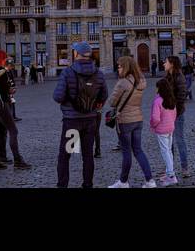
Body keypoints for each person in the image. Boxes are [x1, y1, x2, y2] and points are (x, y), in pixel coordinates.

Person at [53, 41, 107, 188]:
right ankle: (87, 184)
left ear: (76, 54)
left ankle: (63, 185)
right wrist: (93, 105)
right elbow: (104, 96)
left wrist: (69, 101)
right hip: (90, 121)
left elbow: (57, 97)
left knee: (66, 155)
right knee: (88, 155)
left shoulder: (68, 72)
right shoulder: (99, 74)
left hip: (72, 122)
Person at [108, 56, 156, 188]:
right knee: (138, 150)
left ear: (125, 67)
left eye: (119, 66)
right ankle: (150, 180)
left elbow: (112, 102)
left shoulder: (122, 82)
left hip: (125, 121)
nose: (118, 68)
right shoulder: (141, 81)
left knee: (126, 152)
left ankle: (123, 182)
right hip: (138, 119)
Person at [165, 55, 191, 179]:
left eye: (166, 62)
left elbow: (182, 96)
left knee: (179, 140)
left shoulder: (179, 77)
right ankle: (170, 168)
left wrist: (176, 111)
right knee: (168, 142)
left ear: (172, 64)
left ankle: (184, 167)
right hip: (168, 113)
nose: (164, 64)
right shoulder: (168, 77)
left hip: (177, 114)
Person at [150, 75, 178, 185]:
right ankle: (168, 172)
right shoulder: (171, 100)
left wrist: (153, 125)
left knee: (165, 151)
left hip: (161, 129)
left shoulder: (157, 101)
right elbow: (174, 114)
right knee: (169, 151)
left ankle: (171, 175)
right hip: (170, 128)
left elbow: (155, 118)